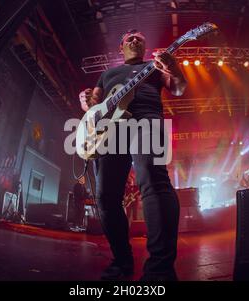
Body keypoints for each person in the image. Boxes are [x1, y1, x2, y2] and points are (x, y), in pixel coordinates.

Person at [78, 29, 187, 281]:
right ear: (121, 47)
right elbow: (93, 106)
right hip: (108, 130)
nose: (135, 40)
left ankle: (160, 270)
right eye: (130, 38)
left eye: (140, 38)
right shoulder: (107, 74)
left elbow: (179, 89)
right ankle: (121, 263)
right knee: (105, 195)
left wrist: (173, 67)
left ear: (144, 46)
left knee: (152, 179)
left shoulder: (155, 66)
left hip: (146, 118)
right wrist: (86, 103)